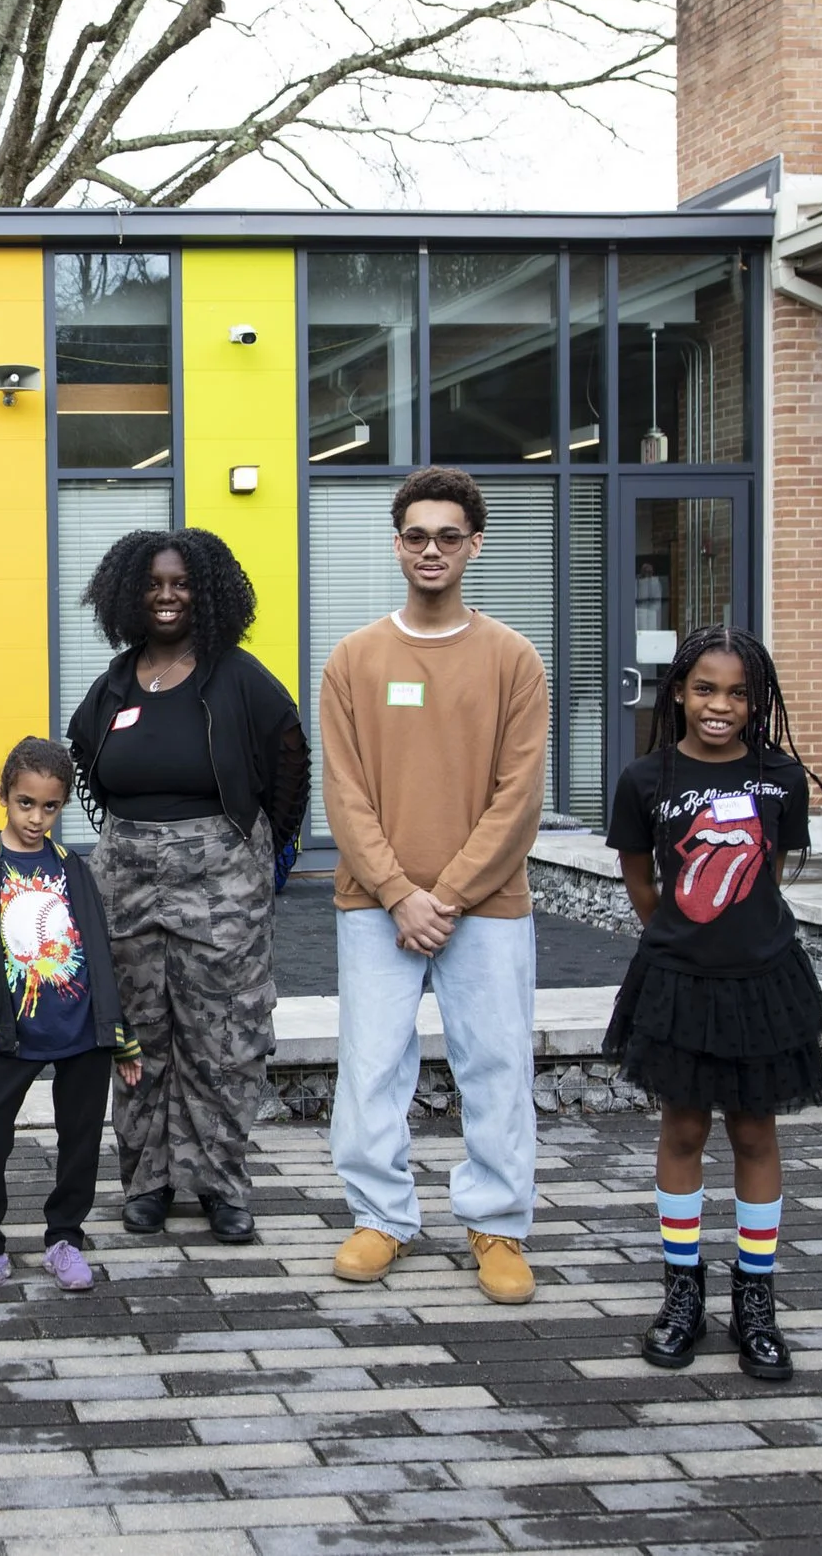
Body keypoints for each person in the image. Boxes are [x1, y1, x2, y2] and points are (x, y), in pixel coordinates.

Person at [320, 466, 549, 1305]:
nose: (431, 549)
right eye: (416, 535)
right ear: (397, 545)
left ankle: (498, 1224)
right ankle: (381, 1215)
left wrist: (443, 895)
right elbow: (343, 792)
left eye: (448, 536)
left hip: (484, 907)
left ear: (474, 545)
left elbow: (519, 797)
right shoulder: (354, 658)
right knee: (371, 1065)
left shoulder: (513, 659)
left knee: (496, 1064)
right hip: (376, 905)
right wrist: (397, 891)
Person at [64, 527, 309, 1246]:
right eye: (152, 584)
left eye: (180, 583)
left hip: (220, 883)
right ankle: (147, 1182)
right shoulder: (116, 680)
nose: (166, 596)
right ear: (127, 595)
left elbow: (290, 761)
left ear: (206, 593)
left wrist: (264, 857)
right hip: (125, 884)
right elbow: (85, 756)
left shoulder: (238, 675)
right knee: (136, 1035)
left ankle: (221, 1186)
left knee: (222, 1039)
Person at [607, 626, 822, 1382]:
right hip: (678, 981)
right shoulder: (646, 778)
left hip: (764, 980)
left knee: (756, 1131)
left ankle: (754, 1302)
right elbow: (642, 883)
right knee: (683, 1127)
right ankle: (683, 1295)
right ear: (678, 692)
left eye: (738, 693)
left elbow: (773, 870)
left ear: (756, 701)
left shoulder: (780, 777)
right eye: (705, 688)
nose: (720, 705)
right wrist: (684, 942)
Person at [0, 738, 142, 1296]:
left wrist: (118, 1034)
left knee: (80, 1140)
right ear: (3, 795)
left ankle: (64, 1238)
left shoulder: (72, 866)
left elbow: (98, 951)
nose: (36, 818)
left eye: (50, 807)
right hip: (12, 1031)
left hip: (81, 1031)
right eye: (26, 803)